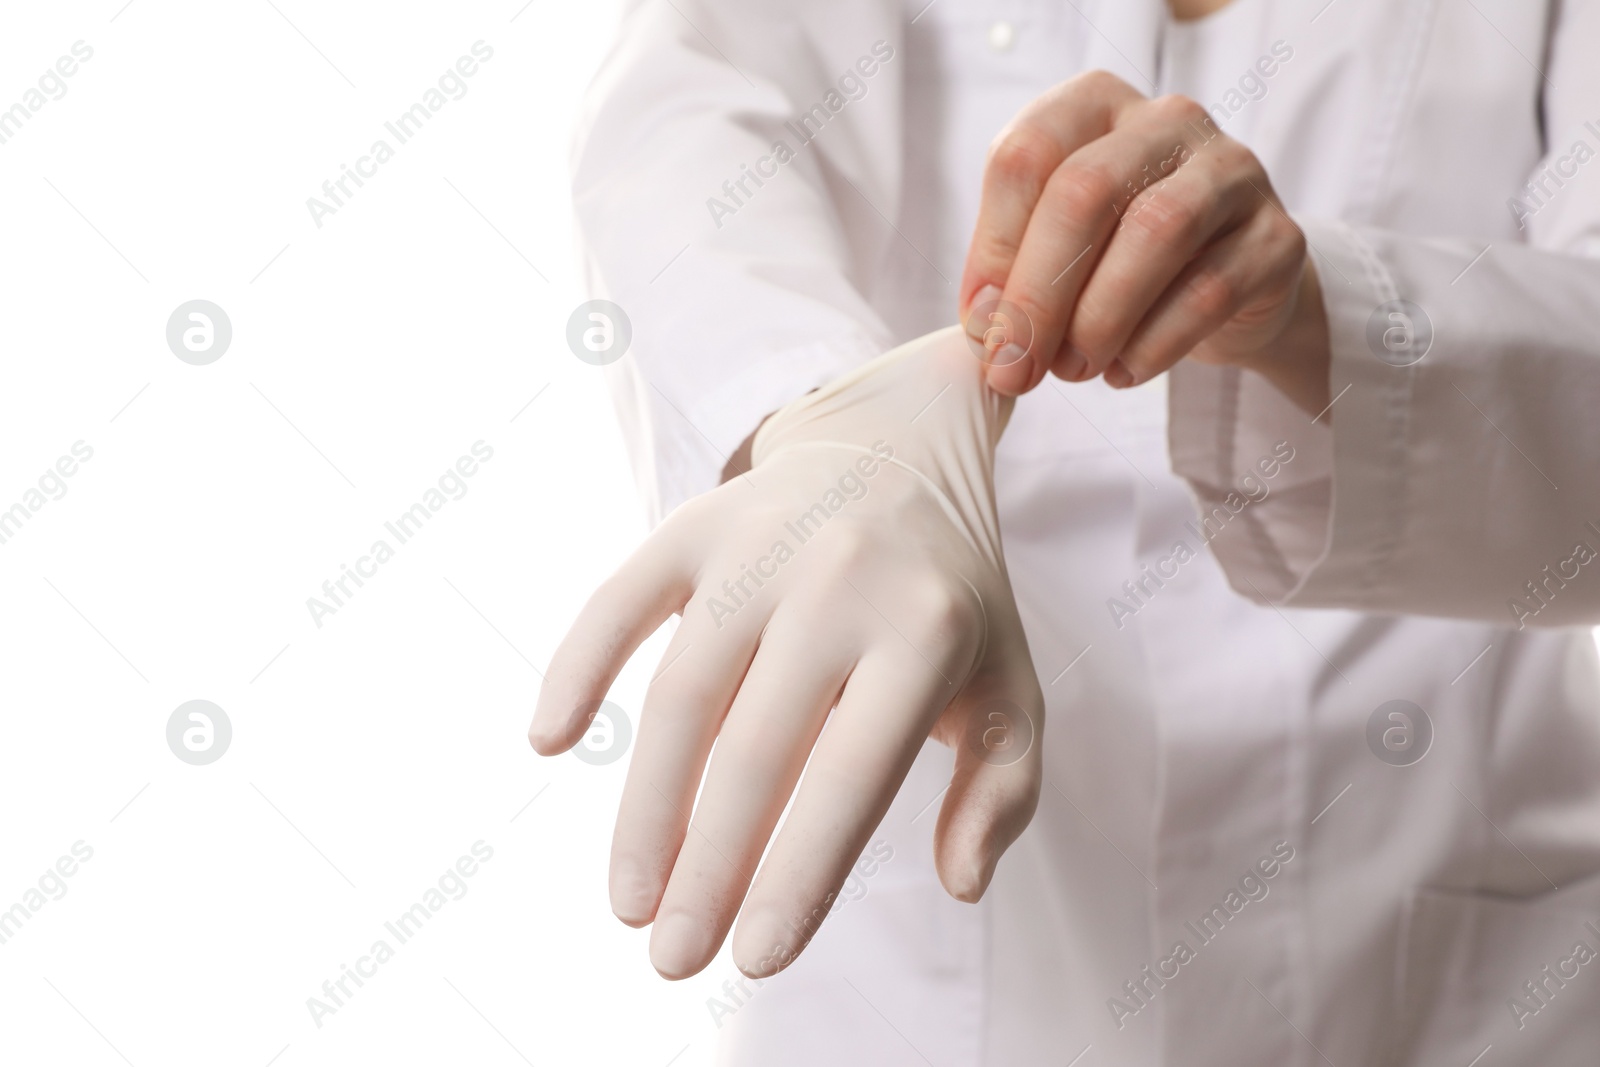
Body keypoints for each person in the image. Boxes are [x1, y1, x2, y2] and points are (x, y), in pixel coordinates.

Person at [536, 1, 1600, 1063]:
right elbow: (683, 119)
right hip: (924, 989)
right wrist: (819, 422)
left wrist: (1319, 315)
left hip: (1465, 979)